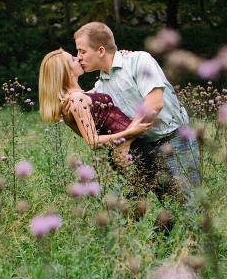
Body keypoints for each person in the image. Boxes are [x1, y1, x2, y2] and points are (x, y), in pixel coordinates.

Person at [73, 22, 201, 207]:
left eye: (82, 51)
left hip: (176, 141)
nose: (79, 58)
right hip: (145, 149)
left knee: (190, 206)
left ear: (101, 50)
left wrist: (126, 140)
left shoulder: (139, 61)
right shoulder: (101, 87)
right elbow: (85, 122)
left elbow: (154, 104)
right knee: (124, 208)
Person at [38, 48, 141, 165]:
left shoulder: (79, 96)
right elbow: (93, 142)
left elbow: (107, 84)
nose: (78, 58)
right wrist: (131, 133)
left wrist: (121, 58)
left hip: (127, 147)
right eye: (73, 59)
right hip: (131, 148)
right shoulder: (77, 99)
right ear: (67, 71)